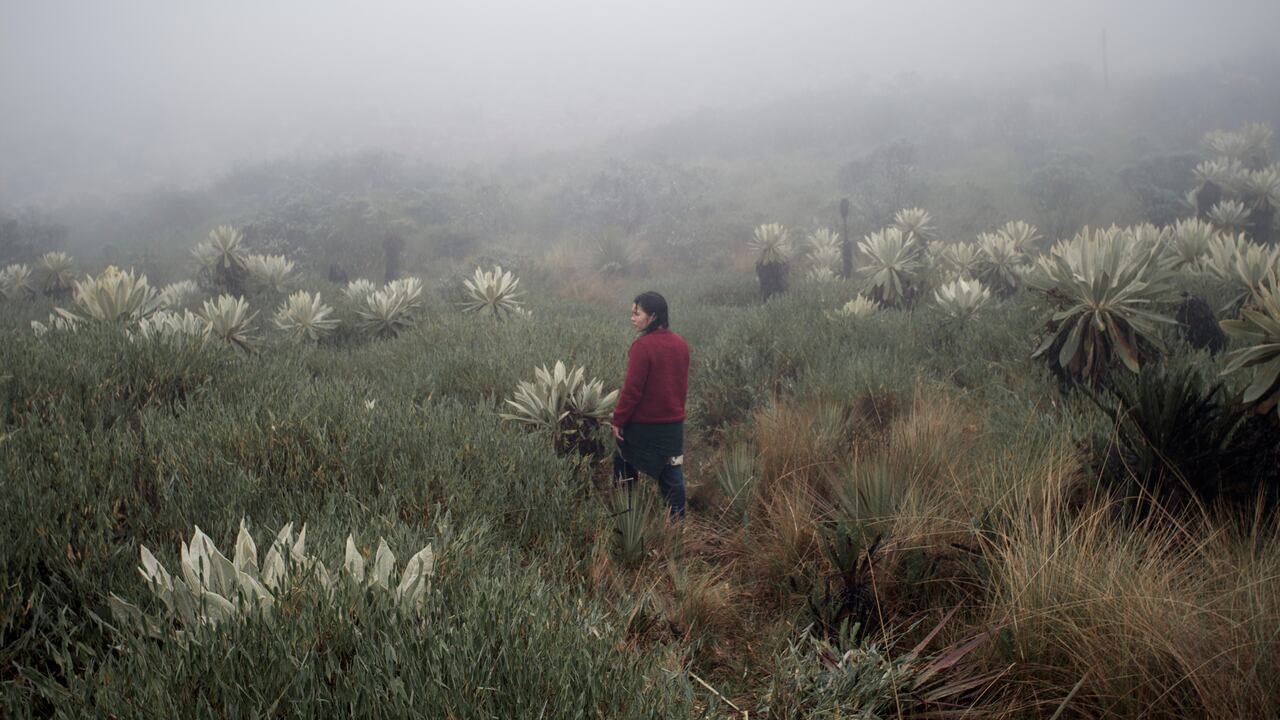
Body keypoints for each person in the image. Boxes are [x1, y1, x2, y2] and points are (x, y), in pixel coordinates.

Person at [611, 291, 691, 518]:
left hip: (644, 427)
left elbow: (632, 392)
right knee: (672, 473)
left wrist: (618, 420)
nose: (632, 318)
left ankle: (626, 517)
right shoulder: (681, 344)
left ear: (653, 316)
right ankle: (677, 526)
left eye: (637, 313)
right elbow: (681, 386)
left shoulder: (642, 347)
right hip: (672, 427)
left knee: (623, 460)